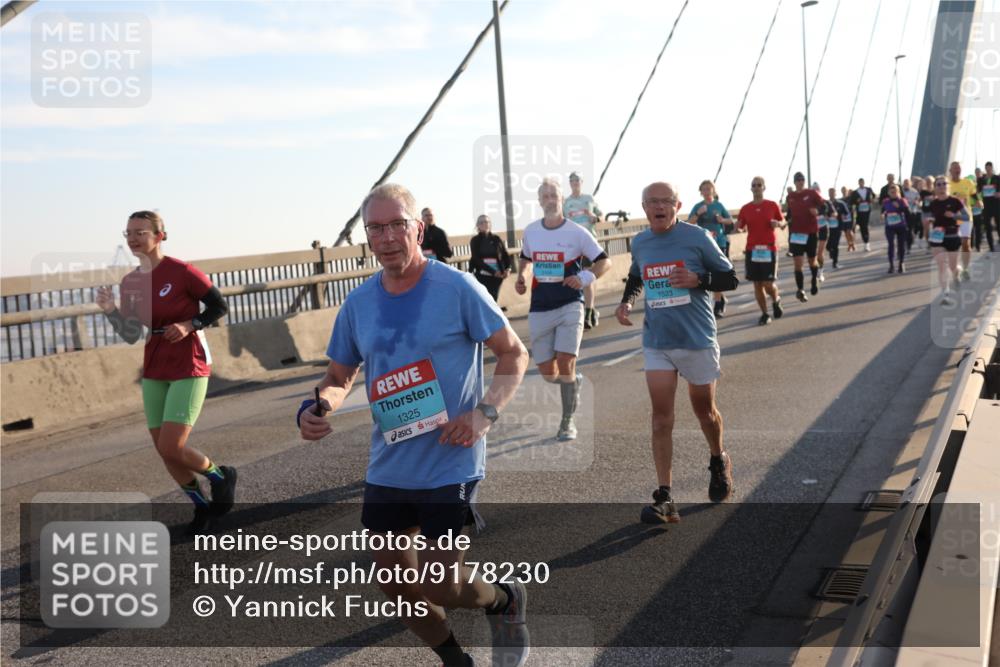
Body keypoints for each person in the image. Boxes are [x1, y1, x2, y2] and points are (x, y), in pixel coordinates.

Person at [299, 183, 530, 667]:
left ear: (417, 229)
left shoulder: (457, 288)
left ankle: (503, 600)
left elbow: (513, 352)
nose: (386, 237)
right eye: (375, 228)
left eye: (396, 225)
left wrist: (484, 413)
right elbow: (340, 375)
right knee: (397, 586)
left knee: (440, 585)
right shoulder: (359, 303)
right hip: (390, 467)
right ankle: (454, 660)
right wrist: (318, 405)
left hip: (451, 461)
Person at [95, 211, 236, 533]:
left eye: (140, 232)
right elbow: (130, 333)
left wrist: (189, 324)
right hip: (155, 364)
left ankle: (219, 476)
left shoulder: (182, 271)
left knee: (173, 445)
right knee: (163, 449)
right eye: (128, 233)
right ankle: (201, 507)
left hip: (190, 361)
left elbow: (218, 306)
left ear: (160, 236)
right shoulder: (130, 282)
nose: (132, 238)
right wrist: (111, 311)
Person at [615, 181, 738, 523]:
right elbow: (636, 276)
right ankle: (665, 496)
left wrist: (698, 280)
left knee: (705, 412)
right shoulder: (639, 241)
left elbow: (730, 279)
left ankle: (718, 458)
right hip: (658, 342)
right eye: (651, 201)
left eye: (665, 201)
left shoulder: (698, 237)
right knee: (661, 418)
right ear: (643, 208)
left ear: (677, 205)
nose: (658, 206)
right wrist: (627, 301)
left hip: (697, 339)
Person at [516, 178, 611, 441]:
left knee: (566, 363)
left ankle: (567, 421)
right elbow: (525, 258)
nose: (550, 200)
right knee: (549, 373)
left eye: (554, 196)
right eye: (545, 196)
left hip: (570, 304)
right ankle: (573, 383)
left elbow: (605, 262)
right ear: (539, 201)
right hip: (540, 307)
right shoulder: (532, 231)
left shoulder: (577, 232)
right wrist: (522, 276)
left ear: (562, 200)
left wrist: (584, 278)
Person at [737, 176, 785, 325]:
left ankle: (776, 299)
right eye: (754, 185)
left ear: (764, 188)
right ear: (751, 188)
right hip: (752, 249)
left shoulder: (772, 205)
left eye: (759, 185)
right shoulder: (745, 208)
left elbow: (783, 222)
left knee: (767, 283)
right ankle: (765, 314)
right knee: (757, 284)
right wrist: (736, 227)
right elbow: (739, 225)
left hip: (769, 249)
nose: (756, 187)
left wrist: (778, 223)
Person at [563, 172, 604, 329]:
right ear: (569, 183)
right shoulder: (566, 203)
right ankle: (591, 308)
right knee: (579, 277)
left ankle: (588, 311)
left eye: (577, 180)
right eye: (572, 180)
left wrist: (595, 217)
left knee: (587, 275)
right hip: (572, 245)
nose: (575, 183)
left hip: (589, 242)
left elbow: (601, 217)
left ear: (582, 182)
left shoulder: (589, 199)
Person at [687, 180, 734, 317]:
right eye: (704, 189)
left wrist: (722, 220)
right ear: (700, 192)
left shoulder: (718, 205)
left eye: (709, 188)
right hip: (703, 245)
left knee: (717, 272)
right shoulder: (698, 206)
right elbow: (689, 223)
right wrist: (698, 214)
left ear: (713, 191)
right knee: (707, 274)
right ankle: (720, 298)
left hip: (719, 243)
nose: (707, 191)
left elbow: (730, 220)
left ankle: (718, 304)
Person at [925, 175, 968, 305]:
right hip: (937, 237)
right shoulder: (932, 203)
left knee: (952, 266)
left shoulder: (955, 201)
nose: (941, 186)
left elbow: (966, 218)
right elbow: (928, 216)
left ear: (948, 186)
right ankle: (946, 294)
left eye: (944, 183)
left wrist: (954, 216)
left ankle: (957, 271)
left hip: (953, 236)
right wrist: (929, 220)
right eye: (938, 184)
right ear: (935, 188)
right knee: (941, 266)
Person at [786, 171, 825, 302]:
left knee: (812, 261)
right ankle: (800, 290)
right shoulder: (790, 196)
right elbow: (789, 214)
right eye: (798, 180)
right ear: (794, 182)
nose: (800, 182)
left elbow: (824, 206)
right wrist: (786, 221)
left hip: (811, 233)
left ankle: (814, 280)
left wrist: (817, 211)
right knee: (798, 264)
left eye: (802, 179)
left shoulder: (812, 193)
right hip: (796, 234)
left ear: (804, 181)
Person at [947, 161, 981, 281]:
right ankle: (956, 268)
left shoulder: (968, 182)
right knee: (955, 245)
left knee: (966, 244)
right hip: (953, 219)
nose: (957, 170)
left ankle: (965, 269)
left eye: (959, 168)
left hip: (966, 217)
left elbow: (974, 194)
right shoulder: (947, 185)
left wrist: (979, 201)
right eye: (955, 168)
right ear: (950, 171)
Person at [469, 214, 512, 304]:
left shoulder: (496, 239)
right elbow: (476, 259)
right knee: (484, 300)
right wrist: (492, 271)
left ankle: (493, 316)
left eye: (487, 222)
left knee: (493, 298)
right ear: (477, 225)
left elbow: (505, 255)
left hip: (497, 276)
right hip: (482, 275)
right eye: (482, 222)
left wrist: (508, 269)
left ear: (490, 224)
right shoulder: (475, 240)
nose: (485, 224)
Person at [881, 183, 910, 273]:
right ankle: (891, 265)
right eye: (891, 191)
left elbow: (908, 213)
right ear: (889, 192)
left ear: (898, 192)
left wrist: (900, 207)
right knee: (891, 244)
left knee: (901, 245)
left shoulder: (902, 201)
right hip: (890, 226)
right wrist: (882, 214)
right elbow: (883, 211)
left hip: (901, 226)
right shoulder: (886, 201)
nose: (893, 193)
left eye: (895, 191)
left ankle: (901, 263)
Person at [849, 178, 875, 251]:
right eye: (860, 182)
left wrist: (871, 199)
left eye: (862, 182)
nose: (861, 183)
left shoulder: (869, 190)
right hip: (860, 212)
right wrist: (857, 201)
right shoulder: (855, 192)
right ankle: (865, 242)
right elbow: (851, 202)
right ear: (858, 183)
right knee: (863, 226)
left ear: (864, 182)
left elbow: (874, 196)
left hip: (867, 211)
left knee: (865, 226)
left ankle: (867, 243)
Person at [979, 161, 1000, 248]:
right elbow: (978, 191)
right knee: (987, 226)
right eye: (986, 169)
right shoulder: (981, 179)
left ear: (992, 168)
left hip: (996, 205)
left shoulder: (997, 178)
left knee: (999, 225)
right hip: (986, 205)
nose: (988, 171)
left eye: (989, 169)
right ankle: (991, 245)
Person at [827, 187, 848, 270]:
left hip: (838, 227)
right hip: (828, 228)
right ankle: (831, 253)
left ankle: (835, 263)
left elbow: (846, 212)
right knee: (828, 246)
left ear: (835, 193)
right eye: (830, 192)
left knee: (835, 245)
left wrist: (842, 216)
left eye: (833, 192)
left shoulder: (841, 203)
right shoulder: (826, 204)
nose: (831, 194)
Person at [813, 183, 830, 283]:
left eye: (817, 191)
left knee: (820, 253)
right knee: (813, 254)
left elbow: (833, 212)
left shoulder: (824, 202)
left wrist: (829, 215)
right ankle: (815, 272)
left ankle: (821, 272)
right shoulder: (809, 203)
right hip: (813, 230)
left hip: (823, 228)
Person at [904, 178, 924, 250]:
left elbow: (919, 200)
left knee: (911, 228)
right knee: (906, 229)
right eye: (905, 183)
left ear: (910, 184)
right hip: (903, 213)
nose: (906, 184)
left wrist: (917, 203)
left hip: (913, 212)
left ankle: (909, 243)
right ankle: (907, 243)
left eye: (907, 183)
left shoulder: (914, 191)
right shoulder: (901, 192)